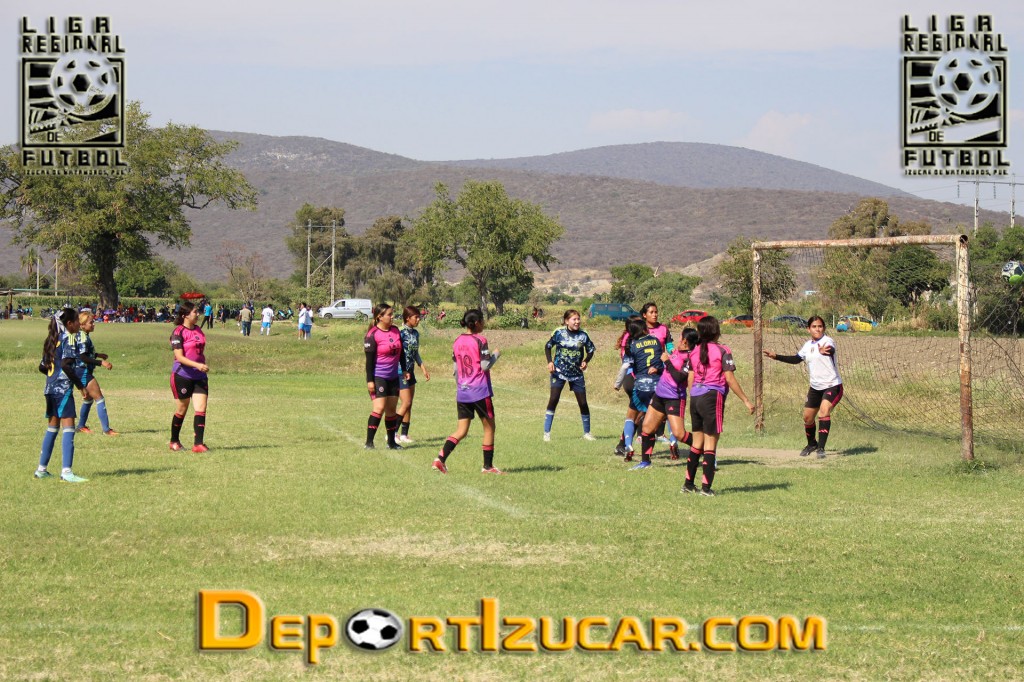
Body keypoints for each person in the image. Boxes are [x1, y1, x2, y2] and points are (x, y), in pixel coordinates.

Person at [682, 316, 754, 496]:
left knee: (696, 443)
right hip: (712, 398)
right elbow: (729, 378)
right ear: (716, 332)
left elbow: (690, 378)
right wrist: (745, 400)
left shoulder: (694, 351)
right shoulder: (723, 350)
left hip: (696, 397)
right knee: (710, 443)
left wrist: (695, 394)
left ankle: (688, 484)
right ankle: (706, 488)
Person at [432, 309, 503, 474]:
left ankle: (440, 459)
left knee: (461, 430)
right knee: (489, 428)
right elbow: (485, 366)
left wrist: (462, 385)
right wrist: (496, 355)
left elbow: (456, 370)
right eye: (482, 320)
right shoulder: (480, 340)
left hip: (463, 392)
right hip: (479, 391)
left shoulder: (457, 341)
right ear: (477, 323)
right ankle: (488, 467)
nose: (484, 323)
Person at [764, 315, 842, 459]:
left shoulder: (827, 341)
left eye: (820, 326)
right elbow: (796, 359)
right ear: (808, 329)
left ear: (824, 328)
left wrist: (826, 351)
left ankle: (821, 449)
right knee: (807, 418)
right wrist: (776, 356)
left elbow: (830, 349)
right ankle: (812, 444)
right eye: (814, 326)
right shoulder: (807, 345)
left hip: (832, 386)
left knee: (824, 412)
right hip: (815, 388)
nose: (817, 329)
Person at [35, 309, 89, 482]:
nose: (79, 324)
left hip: (50, 389)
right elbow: (66, 365)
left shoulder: (51, 340)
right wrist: (80, 386)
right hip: (63, 389)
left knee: (52, 428)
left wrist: (53, 377)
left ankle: (41, 470)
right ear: (69, 324)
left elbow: (42, 366)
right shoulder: (68, 338)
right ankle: (67, 472)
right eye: (76, 321)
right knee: (68, 428)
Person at [636, 327, 699, 467]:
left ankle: (707, 450)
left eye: (680, 337)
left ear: (685, 341)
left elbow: (679, 377)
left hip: (674, 398)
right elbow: (669, 371)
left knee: (679, 434)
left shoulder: (690, 358)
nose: (678, 339)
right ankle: (645, 462)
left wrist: (666, 361)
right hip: (659, 394)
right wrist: (658, 369)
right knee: (647, 428)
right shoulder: (677, 351)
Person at [613, 318, 665, 467]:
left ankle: (628, 445)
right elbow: (662, 360)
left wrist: (617, 384)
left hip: (641, 386)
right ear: (644, 329)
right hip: (657, 386)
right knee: (653, 420)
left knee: (631, 416)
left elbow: (625, 367)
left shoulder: (633, 345)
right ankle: (666, 445)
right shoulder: (656, 341)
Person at [543, 309, 596, 441]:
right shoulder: (559, 333)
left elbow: (590, 350)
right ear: (567, 321)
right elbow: (548, 346)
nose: (577, 322)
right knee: (553, 399)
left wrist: (586, 361)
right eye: (574, 319)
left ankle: (587, 433)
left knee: (583, 403)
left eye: (578, 319)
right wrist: (550, 362)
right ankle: (546, 433)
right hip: (559, 372)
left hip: (576, 374)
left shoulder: (583, 335)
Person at [363, 303, 409, 450]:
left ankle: (391, 443)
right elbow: (369, 362)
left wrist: (405, 369)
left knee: (391, 410)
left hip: (393, 377)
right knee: (379, 408)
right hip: (379, 377)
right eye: (389, 314)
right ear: (380, 317)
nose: (392, 317)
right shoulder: (372, 335)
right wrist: (370, 381)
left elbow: (401, 353)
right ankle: (369, 443)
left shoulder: (395, 331)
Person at [169, 302, 210, 453]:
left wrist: (200, 366)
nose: (198, 314)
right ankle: (174, 441)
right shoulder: (178, 332)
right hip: (182, 375)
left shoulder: (198, 330)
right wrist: (197, 365)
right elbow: (179, 357)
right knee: (182, 409)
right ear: (185, 315)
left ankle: (198, 444)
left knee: (201, 408)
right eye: (195, 312)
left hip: (199, 376)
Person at [73, 311, 118, 436]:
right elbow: (82, 357)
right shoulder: (82, 337)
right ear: (82, 325)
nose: (94, 324)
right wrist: (101, 362)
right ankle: (106, 430)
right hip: (82, 370)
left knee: (88, 399)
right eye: (91, 322)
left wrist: (98, 354)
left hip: (80, 371)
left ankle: (81, 426)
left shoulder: (83, 335)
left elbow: (85, 353)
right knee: (99, 398)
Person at [395, 306, 431, 444]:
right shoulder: (400, 332)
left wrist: (423, 368)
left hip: (410, 372)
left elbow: (415, 353)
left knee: (409, 404)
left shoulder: (415, 334)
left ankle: (404, 435)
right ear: (407, 318)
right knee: (406, 402)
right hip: (400, 371)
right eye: (416, 317)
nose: (418, 320)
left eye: (419, 317)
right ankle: (392, 433)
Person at [613, 314, 643, 456]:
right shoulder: (631, 339)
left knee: (640, 411)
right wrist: (617, 383)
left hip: (633, 378)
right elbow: (626, 364)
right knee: (638, 412)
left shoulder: (632, 337)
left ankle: (629, 441)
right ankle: (624, 443)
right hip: (633, 378)